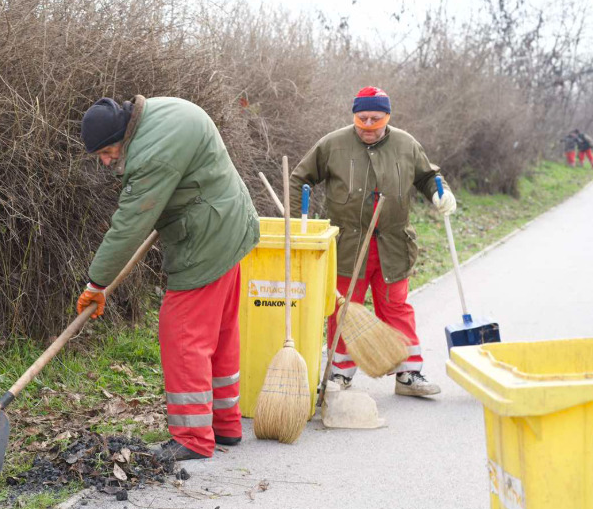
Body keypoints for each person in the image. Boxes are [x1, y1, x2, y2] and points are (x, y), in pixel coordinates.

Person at [76, 95, 260, 460]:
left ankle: (193, 436)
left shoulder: (151, 155)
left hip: (207, 237)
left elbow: (129, 226)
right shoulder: (163, 110)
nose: (106, 160)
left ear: (122, 134)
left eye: (107, 151)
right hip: (230, 222)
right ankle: (224, 424)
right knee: (220, 332)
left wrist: (96, 283)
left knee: (182, 331)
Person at [290, 86, 455, 397]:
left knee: (396, 307)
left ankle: (408, 373)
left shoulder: (406, 144)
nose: (367, 126)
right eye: (361, 119)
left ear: (387, 117)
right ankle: (339, 374)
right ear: (354, 115)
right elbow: (299, 178)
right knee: (344, 310)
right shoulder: (333, 144)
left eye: (375, 120)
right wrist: (299, 217)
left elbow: (428, 175)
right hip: (348, 247)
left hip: (393, 245)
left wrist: (440, 193)